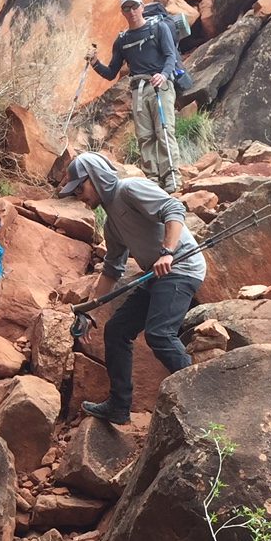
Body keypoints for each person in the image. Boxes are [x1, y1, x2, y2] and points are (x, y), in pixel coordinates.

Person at [58, 152, 205, 425]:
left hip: (181, 267)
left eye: (81, 187)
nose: (79, 195)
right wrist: (90, 310)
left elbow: (174, 209)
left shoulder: (130, 189)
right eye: (74, 190)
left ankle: (202, 400)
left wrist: (167, 252)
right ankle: (118, 406)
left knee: (159, 335)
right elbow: (113, 268)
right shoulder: (112, 223)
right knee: (116, 330)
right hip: (157, 274)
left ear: (97, 177)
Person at [86, 0, 181, 192]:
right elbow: (111, 72)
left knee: (164, 131)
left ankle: (172, 177)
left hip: (160, 87)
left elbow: (170, 56)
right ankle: (153, 179)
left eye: (134, 6)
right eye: (126, 8)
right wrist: (94, 63)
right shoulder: (122, 40)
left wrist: (163, 75)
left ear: (142, 7)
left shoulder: (159, 28)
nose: (131, 11)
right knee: (145, 136)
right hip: (138, 90)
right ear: (123, 12)